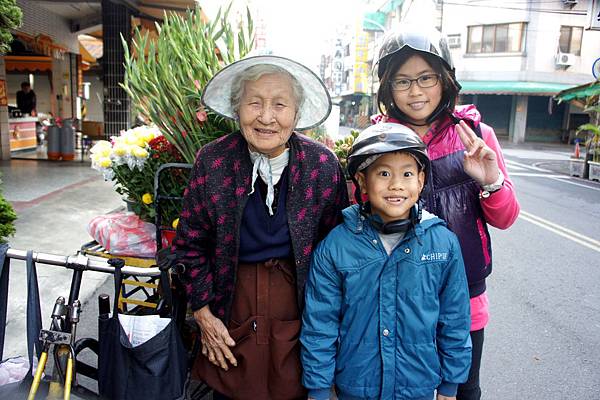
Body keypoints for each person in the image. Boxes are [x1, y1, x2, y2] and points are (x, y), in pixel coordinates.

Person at [172, 55, 349, 400]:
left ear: (296, 114)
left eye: (280, 105)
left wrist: (329, 327)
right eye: (254, 103)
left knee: (297, 387)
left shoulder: (321, 165)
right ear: (238, 109)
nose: (266, 117)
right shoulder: (214, 161)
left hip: (298, 306)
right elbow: (189, 244)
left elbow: (336, 248)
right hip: (230, 300)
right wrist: (205, 316)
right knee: (230, 386)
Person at [371, 26, 520, 399]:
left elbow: (505, 217)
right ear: (388, 88)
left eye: (426, 78)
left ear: (445, 80)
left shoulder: (476, 135)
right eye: (402, 81)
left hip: (466, 303)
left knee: (464, 390)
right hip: (400, 302)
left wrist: (491, 180)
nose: (416, 91)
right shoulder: (377, 141)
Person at [301, 122, 472, 400]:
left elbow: (454, 320)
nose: (396, 185)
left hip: (417, 385)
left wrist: (450, 385)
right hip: (356, 386)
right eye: (383, 173)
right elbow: (320, 325)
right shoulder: (336, 245)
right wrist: (319, 389)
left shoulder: (442, 243)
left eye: (407, 173)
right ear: (361, 180)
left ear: (421, 180)